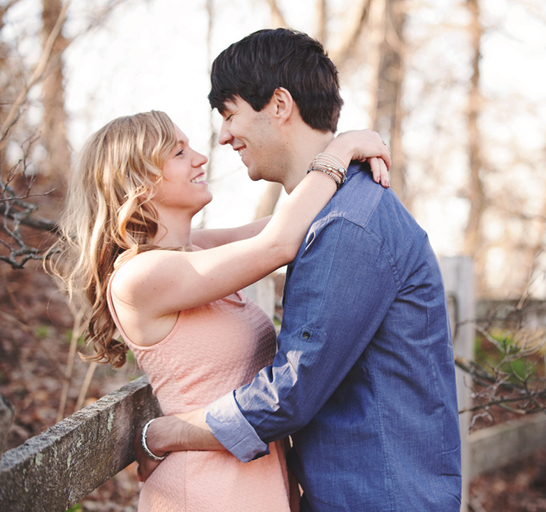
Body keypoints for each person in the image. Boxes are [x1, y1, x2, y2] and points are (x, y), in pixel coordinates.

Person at [138, 28, 462, 512]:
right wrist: (343, 147)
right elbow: (230, 242)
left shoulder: (347, 227)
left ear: (279, 105)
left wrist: (164, 432)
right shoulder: (335, 213)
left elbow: (287, 394)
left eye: (229, 115)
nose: (224, 136)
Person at [52, 110, 390, 511]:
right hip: (205, 490)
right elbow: (278, 244)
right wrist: (343, 148)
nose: (200, 157)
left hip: (255, 480)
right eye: (179, 152)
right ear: (137, 182)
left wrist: (353, 176)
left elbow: (295, 222)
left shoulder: (197, 251)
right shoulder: (140, 278)